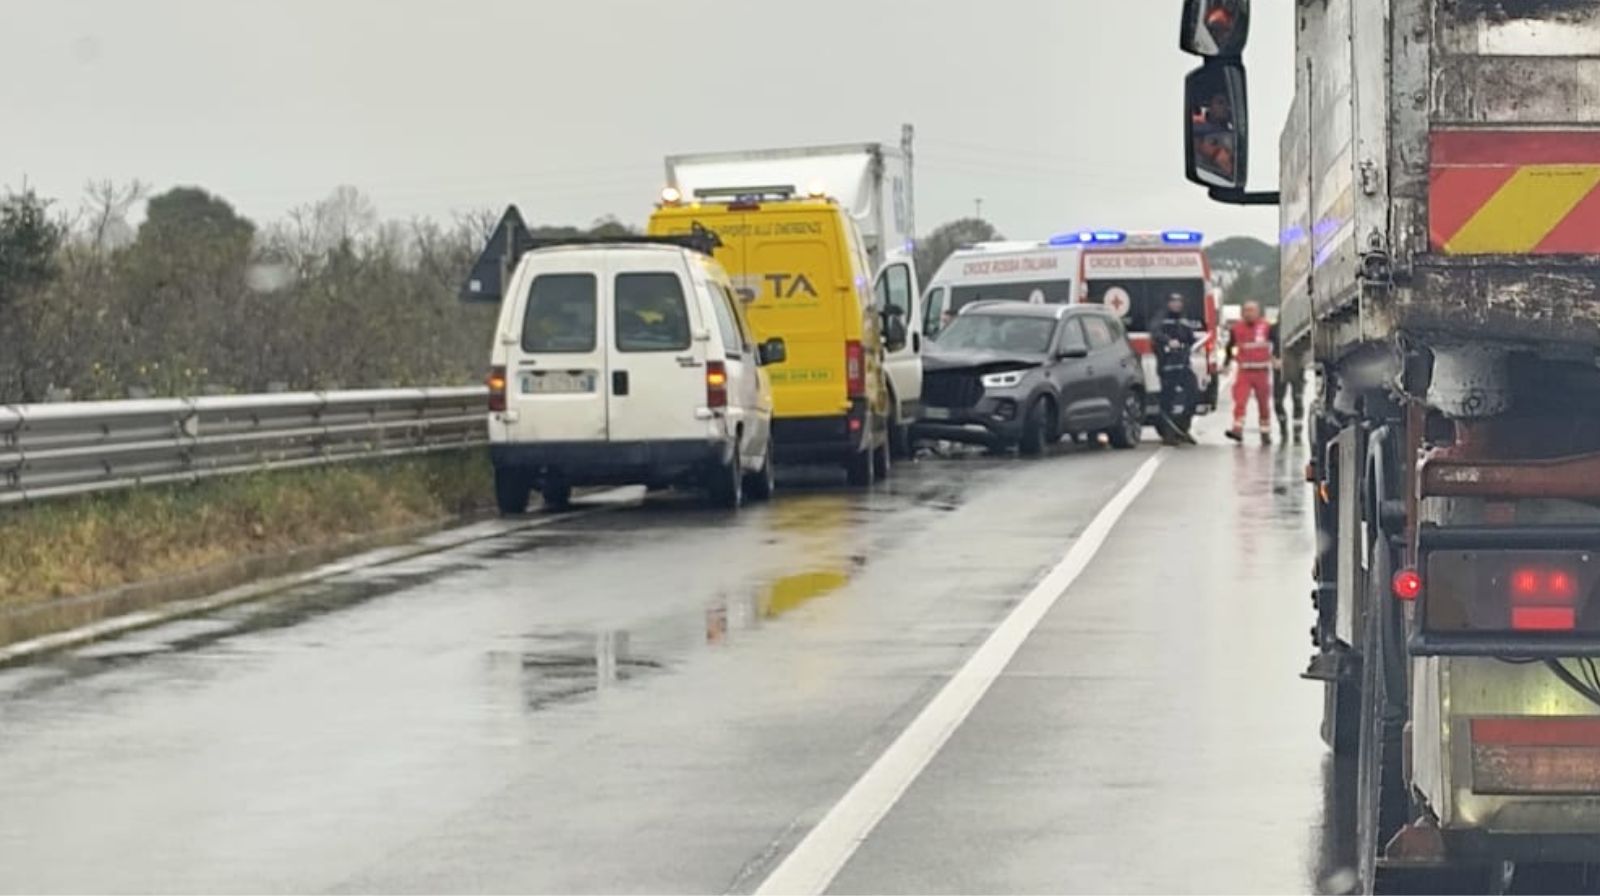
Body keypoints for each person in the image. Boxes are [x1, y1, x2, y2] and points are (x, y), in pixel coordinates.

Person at [1153, 292, 1199, 446]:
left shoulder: (1184, 319)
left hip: (1183, 365)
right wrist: (1168, 341)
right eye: (1173, 301)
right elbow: (1155, 333)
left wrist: (1194, 343)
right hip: (1167, 366)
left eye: (1179, 301)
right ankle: (1168, 434)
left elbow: (1190, 338)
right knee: (1168, 400)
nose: (1177, 304)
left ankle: (1183, 428)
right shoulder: (1161, 318)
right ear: (1168, 303)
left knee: (1193, 394)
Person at [1226, 300, 1274, 444]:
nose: (1249, 314)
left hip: (1261, 371)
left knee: (1263, 404)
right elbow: (1230, 345)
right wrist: (1227, 361)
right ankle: (1237, 429)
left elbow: (1275, 343)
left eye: (1252, 310)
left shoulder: (1266, 327)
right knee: (1240, 401)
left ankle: (1265, 433)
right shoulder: (1237, 328)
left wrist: (1276, 358)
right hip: (1245, 371)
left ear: (1258, 312)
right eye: (1246, 310)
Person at [1273, 324, 1307, 445]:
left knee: (1298, 399)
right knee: (1278, 401)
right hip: (1279, 370)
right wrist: (1272, 359)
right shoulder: (1274, 329)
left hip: (1297, 368)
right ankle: (1283, 427)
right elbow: (1266, 345)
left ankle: (1297, 430)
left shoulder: (1299, 326)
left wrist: (1304, 361)